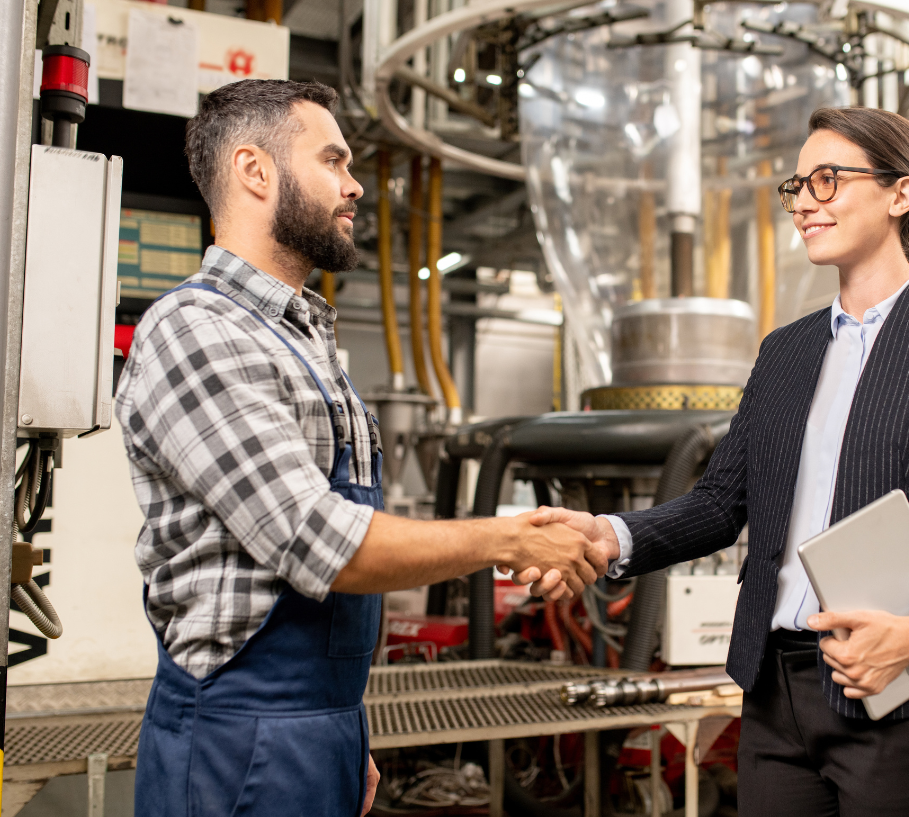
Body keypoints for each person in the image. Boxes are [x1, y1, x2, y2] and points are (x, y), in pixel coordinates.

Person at [528, 107, 909, 815]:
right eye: (798, 186)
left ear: (900, 193)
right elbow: (721, 504)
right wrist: (613, 535)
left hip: (900, 696)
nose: (805, 203)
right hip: (774, 693)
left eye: (828, 180)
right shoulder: (785, 351)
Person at [116, 80, 604, 817]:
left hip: (316, 731)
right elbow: (320, 540)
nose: (354, 186)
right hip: (236, 743)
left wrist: (338, 728)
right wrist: (510, 537)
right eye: (333, 161)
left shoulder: (303, 339)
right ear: (256, 171)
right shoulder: (195, 329)